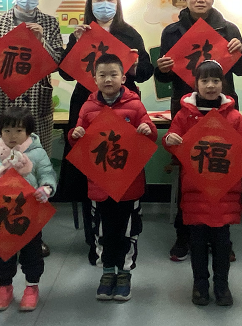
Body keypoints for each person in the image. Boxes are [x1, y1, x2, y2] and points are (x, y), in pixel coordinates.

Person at [155, 0, 242, 261]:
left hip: (223, 111)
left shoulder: (228, 29)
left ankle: (222, 236)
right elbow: (164, 77)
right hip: (187, 110)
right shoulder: (172, 32)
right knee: (189, 172)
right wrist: (162, 68)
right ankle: (184, 234)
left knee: (223, 170)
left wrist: (241, 52)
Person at [56, 0, 153, 262]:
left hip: (123, 109)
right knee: (88, 170)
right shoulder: (82, 32)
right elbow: (65, 73)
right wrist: (75, 43)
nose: (104, 4)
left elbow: (146, 71)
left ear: (117, 3)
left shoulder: (129, 33)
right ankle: (93, 239)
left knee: (120, 167)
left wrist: (134, 66)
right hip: (87, 107)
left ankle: (121, 238)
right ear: (90, 4)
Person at [164, 60, 242, 307]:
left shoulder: (234, 116)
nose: (210, 85)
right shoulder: (185, 115)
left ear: (223, 84)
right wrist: (170, 139)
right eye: (204, 80)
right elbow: (172, 142)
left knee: (222, 243)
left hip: (225, 192)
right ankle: (200, 285)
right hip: (195, 191)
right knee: (196, 243)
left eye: (216, 80)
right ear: (196, 84)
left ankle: (222, 285)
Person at [69, 53, 156, 302]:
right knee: (102, 231)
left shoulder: (135, 105)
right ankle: (107, 273)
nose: (108, 79)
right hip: (99, 185)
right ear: (94, 78)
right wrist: (75, 135)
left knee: (128, 231)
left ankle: (124, 274)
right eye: (103, 75)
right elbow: (78, 143)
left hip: (129, 185)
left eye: (114, 74)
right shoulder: (88, 107)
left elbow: (150, 139)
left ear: (123, 77)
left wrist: (147, 130)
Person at [0, 106, 57, 312]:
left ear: (28, 132)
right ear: (0, 131)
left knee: (32, 252)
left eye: (19, 130)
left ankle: (31, 287)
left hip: (29, 213)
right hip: (1, 213)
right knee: (2, 252)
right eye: (7, 130)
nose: (12, 136)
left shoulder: (37, 154)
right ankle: (5, 287)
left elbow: (47, 174)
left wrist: (46, 188)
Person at [0, 0, 64, 157]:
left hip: (36, 103)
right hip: (3, 103)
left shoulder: (49, 23)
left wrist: (41, 42)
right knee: (1, 164)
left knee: (36, 162)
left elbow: (58, 62)